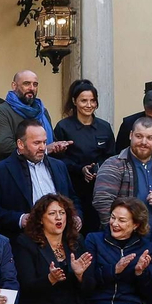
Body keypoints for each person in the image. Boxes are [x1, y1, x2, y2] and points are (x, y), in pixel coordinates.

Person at [92, 117, 152, 248]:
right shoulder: (113, 165)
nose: (144, 142)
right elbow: (102, 202)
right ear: (131, 135)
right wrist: (119, 236)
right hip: (125, 246)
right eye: (139, 136)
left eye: (150, 138)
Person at [0, 121, 80, 235]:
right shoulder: (0, 171)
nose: (42, 147)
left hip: (61, 236)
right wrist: (20, 219)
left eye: (44, 142)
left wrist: (76, 216)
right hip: (23, 238)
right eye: (37, 143)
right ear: (20, 144)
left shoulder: (59, 166)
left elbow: (72, 198)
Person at [53, 80, 116, 233]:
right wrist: (80, 169)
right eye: (84, 101)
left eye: (92, 100)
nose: (89, 105)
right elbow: (57, 160)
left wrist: (97, 169)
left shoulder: (104, 127)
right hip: (72, 187)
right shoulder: (63, 127)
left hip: (100, 187)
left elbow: (111, 156)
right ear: (74, 101)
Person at [0, 71, 65, 162]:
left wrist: (58, 147)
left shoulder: (42, 111)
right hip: (15, 167)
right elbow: (4, 146)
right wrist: (44, 150)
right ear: (14, 86)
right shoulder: (2, 111)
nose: (32, 88)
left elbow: (51, 141)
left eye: (35, 84)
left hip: (44, 166)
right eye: (26, 84)